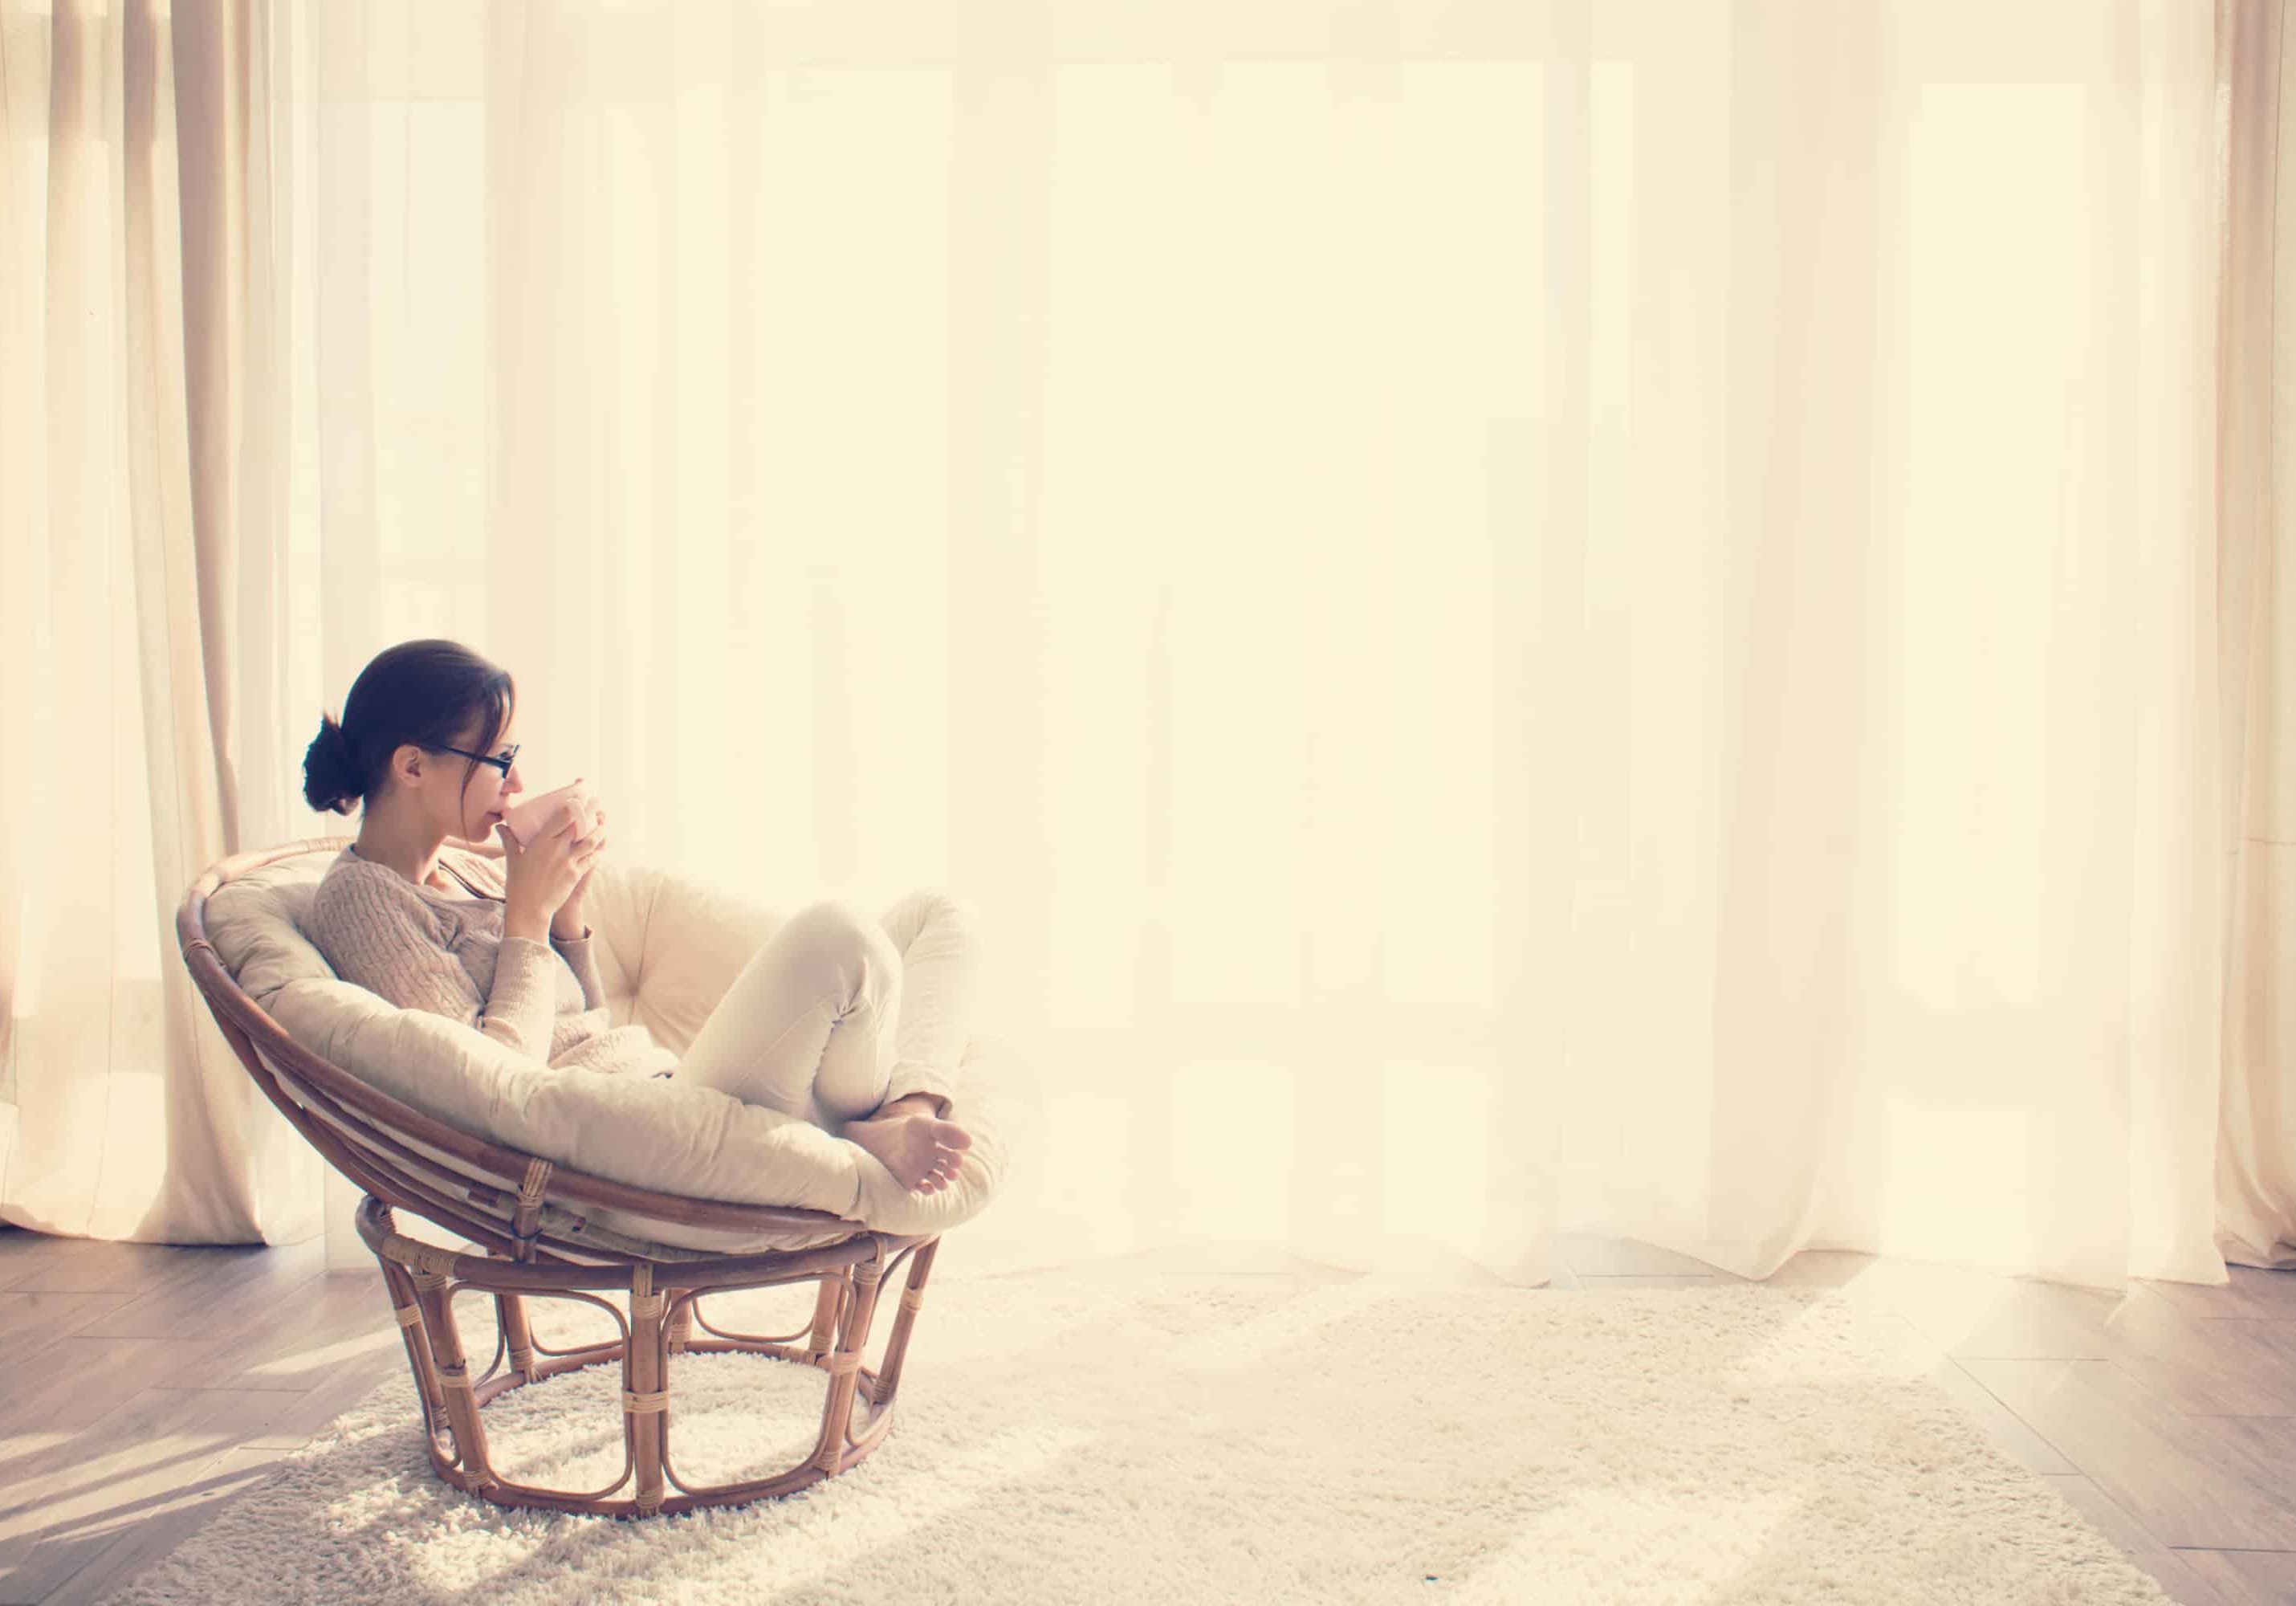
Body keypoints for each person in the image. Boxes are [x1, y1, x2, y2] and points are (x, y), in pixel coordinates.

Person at [299, 638, 975, 1197]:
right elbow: (489, 1090)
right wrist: (528, 920)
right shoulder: (363, 900)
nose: (516, 784)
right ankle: (868, 1123)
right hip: (633, 1153)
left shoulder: (467, 869)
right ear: (413, 766)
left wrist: (566, 918)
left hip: (665, 1091)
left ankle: (897, 1114)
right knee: (839, 936)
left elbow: (584, 1027)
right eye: (500, 760)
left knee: (932, 915)